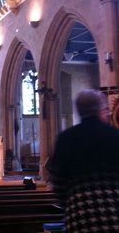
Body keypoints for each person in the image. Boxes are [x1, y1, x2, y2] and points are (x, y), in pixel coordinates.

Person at [49, 89, 119, 232]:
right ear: (101, 111)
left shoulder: (66, 138)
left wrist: (70, 202)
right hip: (114, 207)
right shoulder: (115, 135)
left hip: (80, 210)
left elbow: (57, 178)